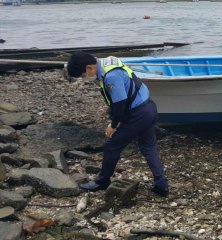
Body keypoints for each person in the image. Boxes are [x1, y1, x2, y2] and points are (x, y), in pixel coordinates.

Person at [66, 52, 169, 197]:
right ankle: (161, 185)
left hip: (138, 114)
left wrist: (113, 125)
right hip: (148, 108)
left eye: (83, 75)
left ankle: (102, 181)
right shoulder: (108, 61)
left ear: (89, 67)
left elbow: (119, 104)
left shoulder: (111, 76)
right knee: (148, 147)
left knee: (111, 146)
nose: (84, 79)